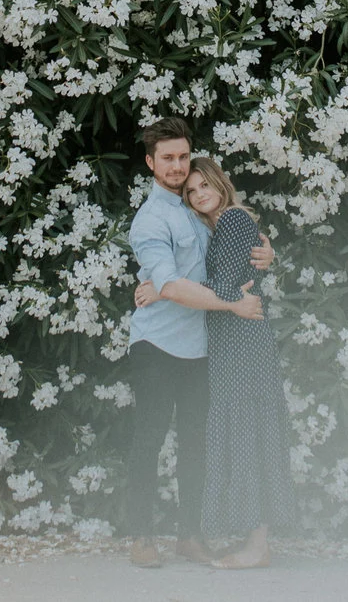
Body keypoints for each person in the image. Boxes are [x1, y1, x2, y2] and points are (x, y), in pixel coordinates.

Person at [121, 116, 272, 568]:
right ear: (150, 162)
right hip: (157, 343)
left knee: (196, 442)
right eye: (167, 158)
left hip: (202, 346)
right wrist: (229, 303)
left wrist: (267, 250)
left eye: (183, 156)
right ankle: (141, 536)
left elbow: (231, 244)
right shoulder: (150, 220)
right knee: (149, 437)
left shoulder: (196, 203)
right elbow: (170, 284)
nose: (177, 166)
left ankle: (189, 535)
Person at [163, 155, 298, 568]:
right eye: (191, 191)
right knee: (244, 430)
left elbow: (224, 285)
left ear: (220, 184)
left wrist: (166, 288)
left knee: (248, 429)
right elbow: (228, 282)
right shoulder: (220, 227)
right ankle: (254, 541)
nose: (199, 194)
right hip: (231, 338)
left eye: (205, 185)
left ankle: (258, 545)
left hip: (244, 339)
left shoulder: (235, 221)